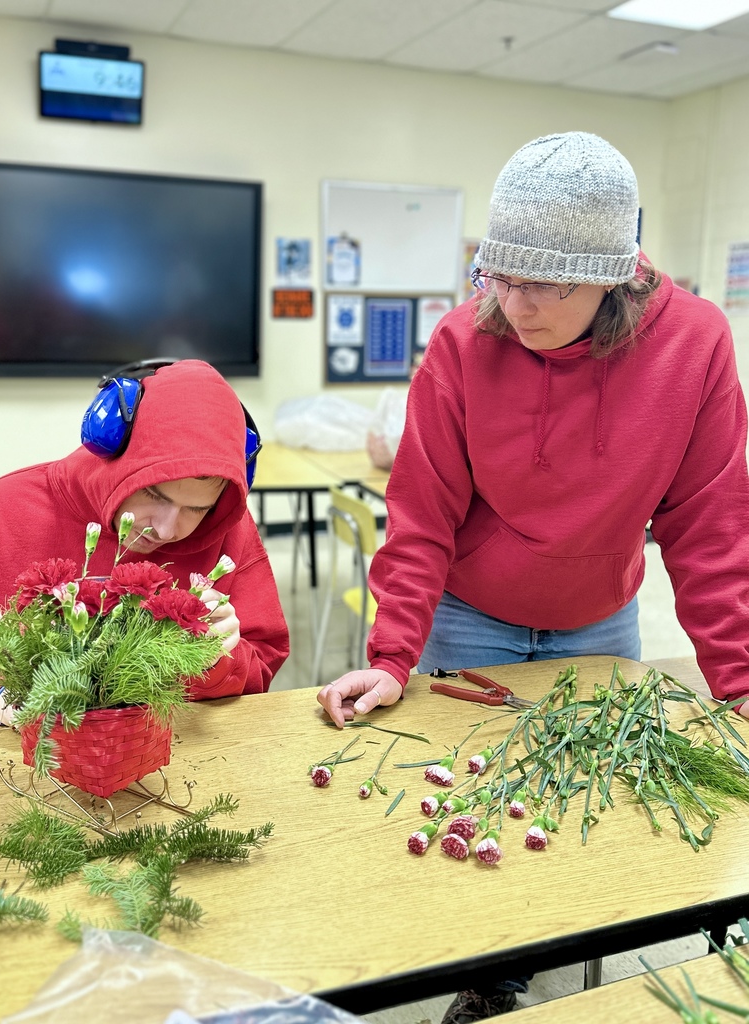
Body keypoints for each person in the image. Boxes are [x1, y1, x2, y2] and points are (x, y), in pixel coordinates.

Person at [317, 131, 749, 1022]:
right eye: (499, 275)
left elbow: (710, 523)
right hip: (471, 614)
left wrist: (739, 683)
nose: (515, 304)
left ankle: (571, 951)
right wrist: (393, 654)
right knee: (468, 791)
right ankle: (486, 976)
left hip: (599, 616)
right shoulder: (462, 342)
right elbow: (423, 508)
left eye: (547, 283)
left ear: (617, 274)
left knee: (588, 790)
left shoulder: (695, 346)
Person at [0, 358, 289, 727]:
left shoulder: (227, 528)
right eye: (154, 495)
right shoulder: (0, 511)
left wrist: (222, 658)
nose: (165, 529)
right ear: (111, 449)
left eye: (195, 508)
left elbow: (261, 666)